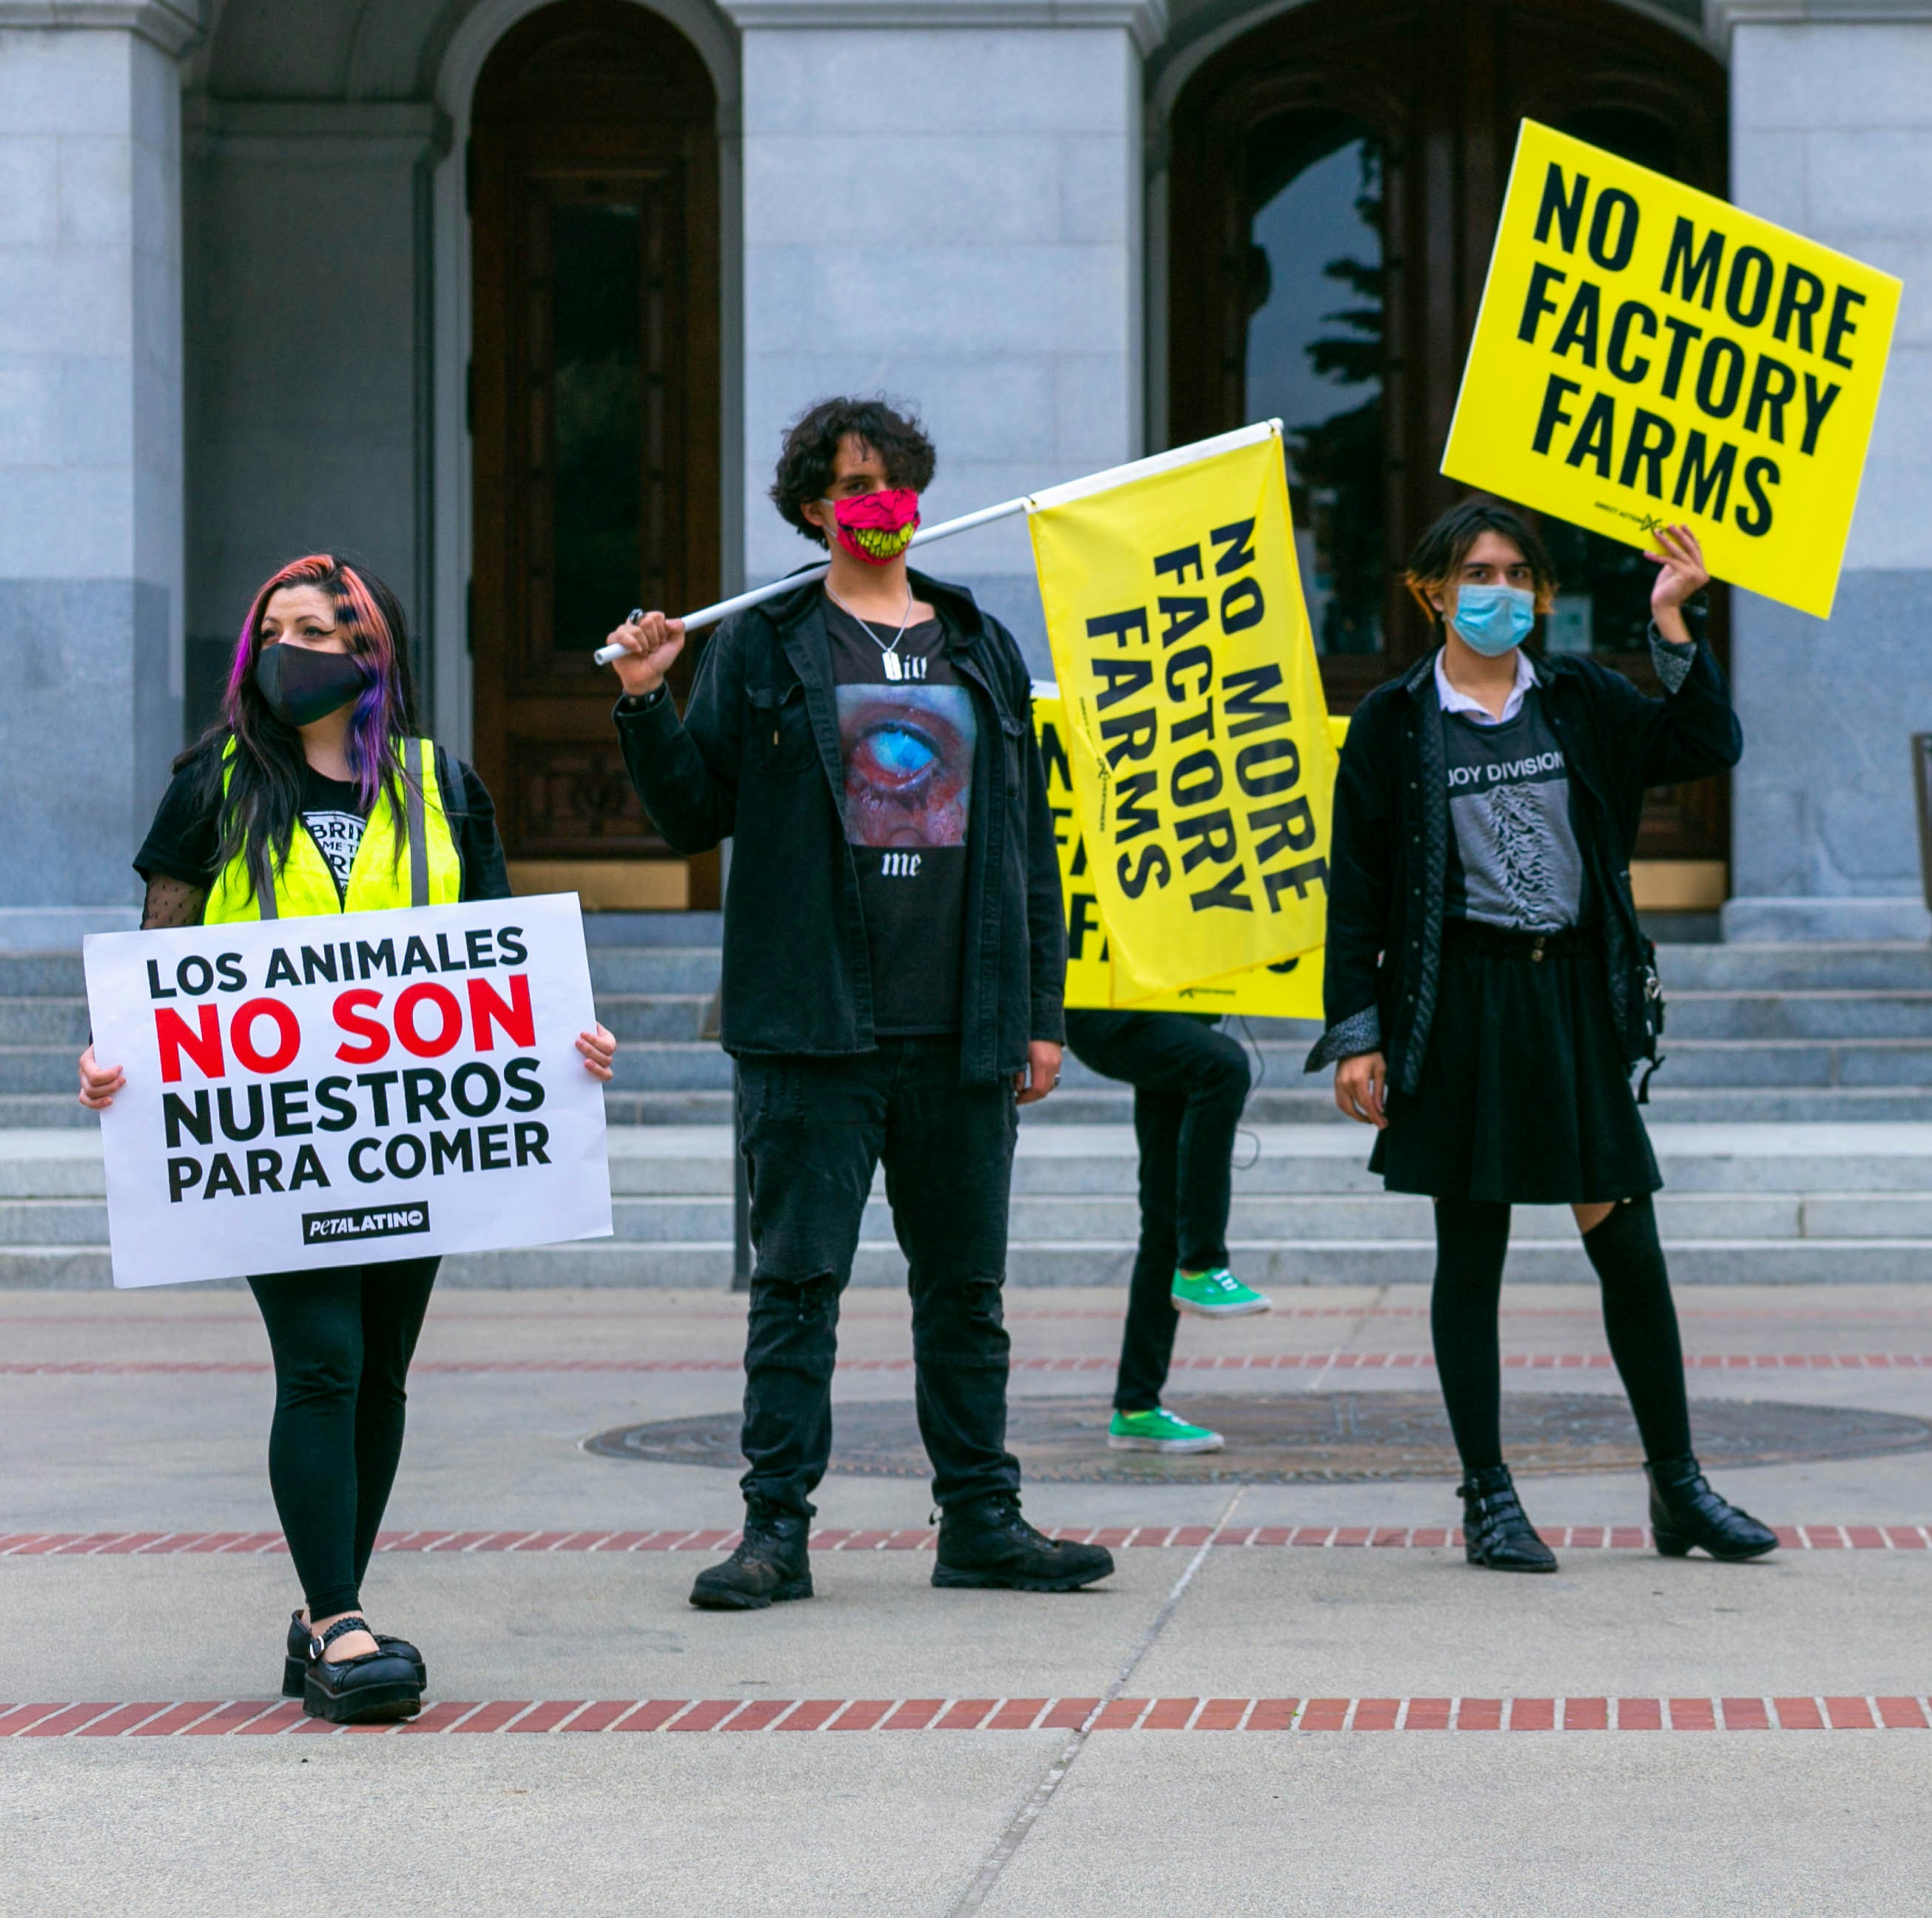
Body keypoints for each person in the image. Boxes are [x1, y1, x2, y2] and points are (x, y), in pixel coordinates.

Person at [76, 552, 620, 1723]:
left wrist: (570, 1044)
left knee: (379, 1371)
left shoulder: (444, 788)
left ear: (372, 652)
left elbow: (501, 960)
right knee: (320, 1358)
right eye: (276, 625)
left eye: (320, 626)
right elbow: (154, 960)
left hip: (411, 1136)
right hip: (282, 1146)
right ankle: (338, 1622)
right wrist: (111, 1057)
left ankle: (328, 1607)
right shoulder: (212, 784)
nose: (293, 645)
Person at [605, 396, 1111, 1606]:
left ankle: (982, 1519)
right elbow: (691, 815)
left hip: (961, 1024)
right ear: (810, 508)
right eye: (850, 485)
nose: (875, 504)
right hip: (812, 1025)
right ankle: (774, 1531)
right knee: (796, 1290)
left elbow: (1030, 844)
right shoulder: (768, 639)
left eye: (892, 483)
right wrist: (643, 701)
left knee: (966, 1294)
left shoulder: (978, 641)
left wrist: (1039, 1010)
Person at [1310, 498, 1775, 1572]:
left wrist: (1671, 623)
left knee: (1628, 1246)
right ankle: (1488, 1496)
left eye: (1518, 575)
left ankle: (1678, 1486)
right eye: (1478, 572)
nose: (1500, 592)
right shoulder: (1391, 719)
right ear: (1431, 590)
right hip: (1458, 1003)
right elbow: (1359, 887)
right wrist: (1358, 1033)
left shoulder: (1575, 695)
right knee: (1469, 1253)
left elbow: (1706, 741)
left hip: (1570, 995)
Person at [1063, 1007, 1270, 1454]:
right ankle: (1202, 1264)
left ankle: (1136, 1410)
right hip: (1108, 1003)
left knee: (1164, 1217)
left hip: (1172, 1010)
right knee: (1223, 1064)